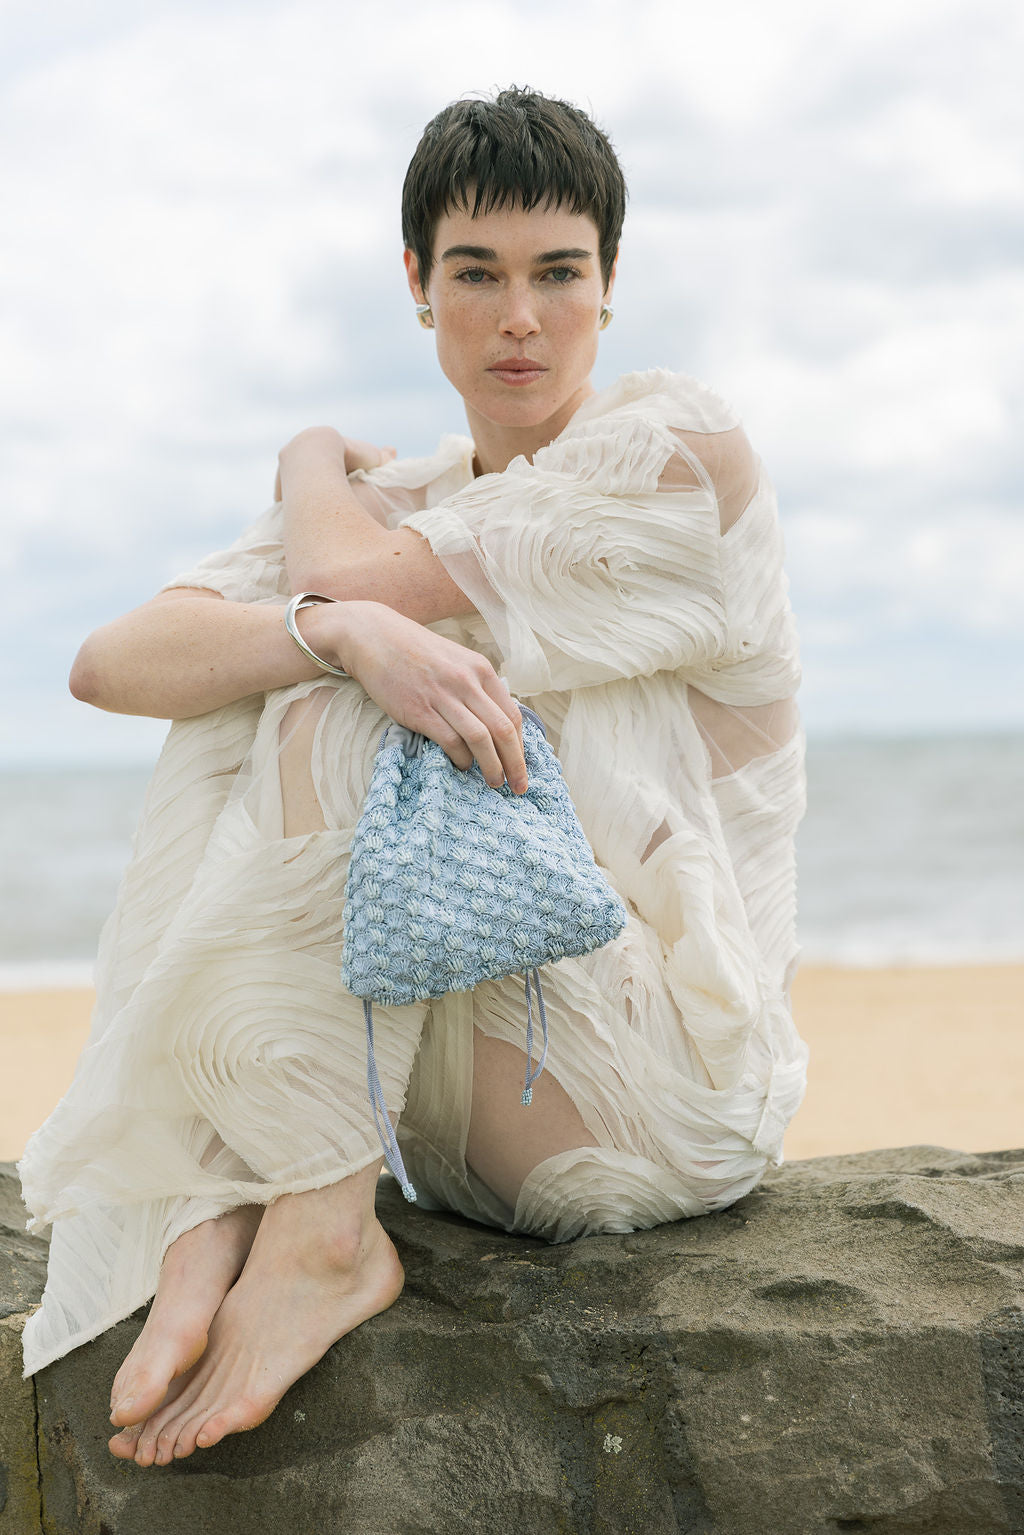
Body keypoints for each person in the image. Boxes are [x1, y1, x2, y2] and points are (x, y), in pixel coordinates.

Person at [18, 86, 809, 1467]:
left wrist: (310, 478)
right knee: (279, 667)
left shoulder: (680, 458)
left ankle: (309, 1229)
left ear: (611, 288)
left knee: (340, 691)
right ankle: (224, 1199)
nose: (521, 318)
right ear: (416, 285)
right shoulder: (423, 493)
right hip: (457, 1135)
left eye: (560, 274)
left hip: (662, 1096)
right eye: (478, 274)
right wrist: (329, 622)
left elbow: (336, 583)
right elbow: (110, 662)